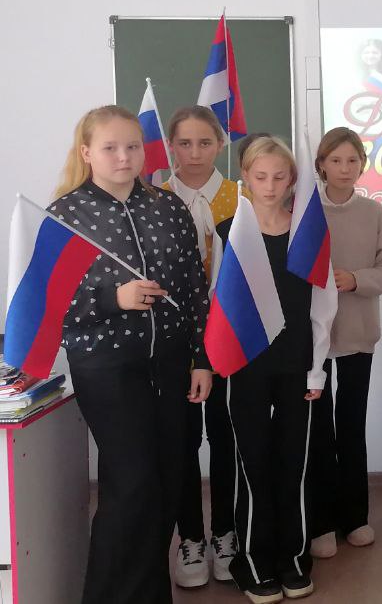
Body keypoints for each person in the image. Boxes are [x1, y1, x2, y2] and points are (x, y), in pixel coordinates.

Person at [49, 105, 211, 604]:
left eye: (133, 146)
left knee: (166, 481)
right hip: (107, 367)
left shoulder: (168, 207)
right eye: (110, 147)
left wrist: (201, 357)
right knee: (132, 483)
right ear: (86, 153)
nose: (124, 156)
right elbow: (49, 303)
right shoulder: (66, 215)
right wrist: (111, 298)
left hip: (170, 364)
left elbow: (194, 288)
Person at [218, 137, 334, 603]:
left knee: (293, 464)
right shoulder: (229, 232)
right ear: (245, 177)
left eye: (279, 176)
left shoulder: (307, 233)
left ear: (293, 179)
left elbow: (323, 304)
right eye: (260, 176)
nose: (269, 186)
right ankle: (253, 560)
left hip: (295, 367)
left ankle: (293, 557)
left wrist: (316, 370)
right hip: (245, 368)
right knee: (252, 464)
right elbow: (216, 303)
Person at [307, 128, 382, 559]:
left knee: (351, 427)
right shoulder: (304, 211)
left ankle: (355, 517)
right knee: (318, 431)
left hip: (359, 335)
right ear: (321, 164)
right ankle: (321, 523)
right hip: (314, 340)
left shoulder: (372, 211)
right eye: (336, 160)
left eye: (352, 160)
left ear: (362, 164)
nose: (345, 169)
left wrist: (356, 279)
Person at [163, 106, 241, 587]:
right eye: (185, 143)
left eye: (205, 143)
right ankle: (190, 537)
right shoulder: (156, 199)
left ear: (221, 145)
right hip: (174, 340)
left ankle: (225, 533)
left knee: (227, 436)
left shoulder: (242, 197)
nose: (194, 153)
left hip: (228, 334)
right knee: (182, 439)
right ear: (170, 145)